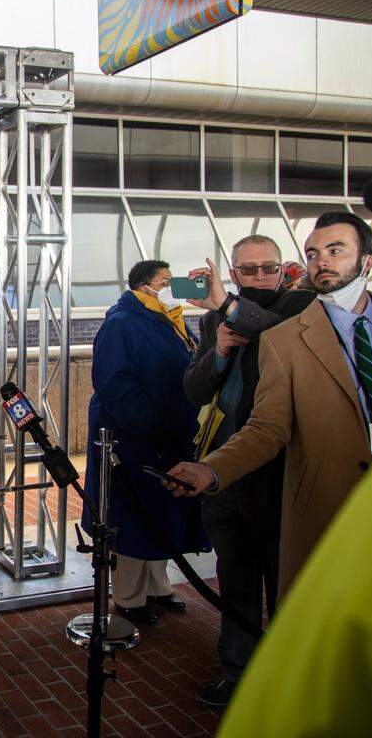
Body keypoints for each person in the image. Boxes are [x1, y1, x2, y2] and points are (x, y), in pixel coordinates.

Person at [167, 212, 372, 597]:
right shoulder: (272, 336)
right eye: (313, 253)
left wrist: (228, 304)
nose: (322, 262)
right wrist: (211, 470)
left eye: (336, 250)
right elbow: (265, 425)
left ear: (368, 260)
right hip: (314, 498)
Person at [181, 237, 316, 707]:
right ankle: (237, 674)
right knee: (235, 578)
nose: (260, 277)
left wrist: (228, 306)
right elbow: (194, 389)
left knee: (285, 581)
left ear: (282, 270)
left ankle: (285, 678)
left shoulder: (300, 305)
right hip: (222, 472)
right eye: (248, 270)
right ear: (234, 274)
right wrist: (217, 351)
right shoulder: (214, 319)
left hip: (279, 474)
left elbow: (282, 332)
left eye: (268, 268)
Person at [81, 260, 209, 628]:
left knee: (164, 512)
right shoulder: (122, 324)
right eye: (165, 282)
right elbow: (117, 385)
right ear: (143, 287)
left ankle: (157, 585)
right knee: (133, 517)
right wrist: (149, 428)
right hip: (136, 441)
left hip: (172, 437)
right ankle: (128, 596)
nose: (173, 287)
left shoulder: (172, 320)